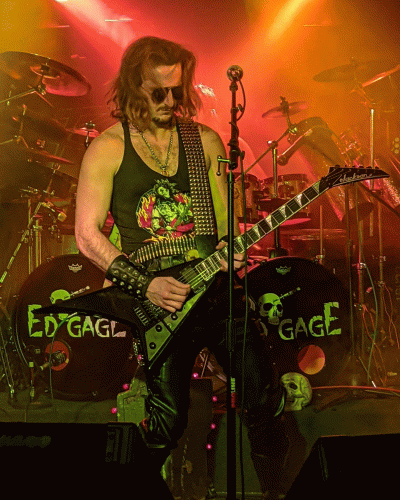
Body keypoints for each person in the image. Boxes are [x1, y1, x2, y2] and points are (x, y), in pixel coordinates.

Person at [75, 36, 286, 499]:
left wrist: (232, 246)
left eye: (177, 90)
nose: (171, 101)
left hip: (215, 292)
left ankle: (277, 492)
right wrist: (145, 285)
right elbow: (87, 235)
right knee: (168, 420)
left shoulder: (204, 142)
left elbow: (227, 225)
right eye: (159, 92)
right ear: (134, 86)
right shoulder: (108, 149)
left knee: (263, 399)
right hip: (158, 304)